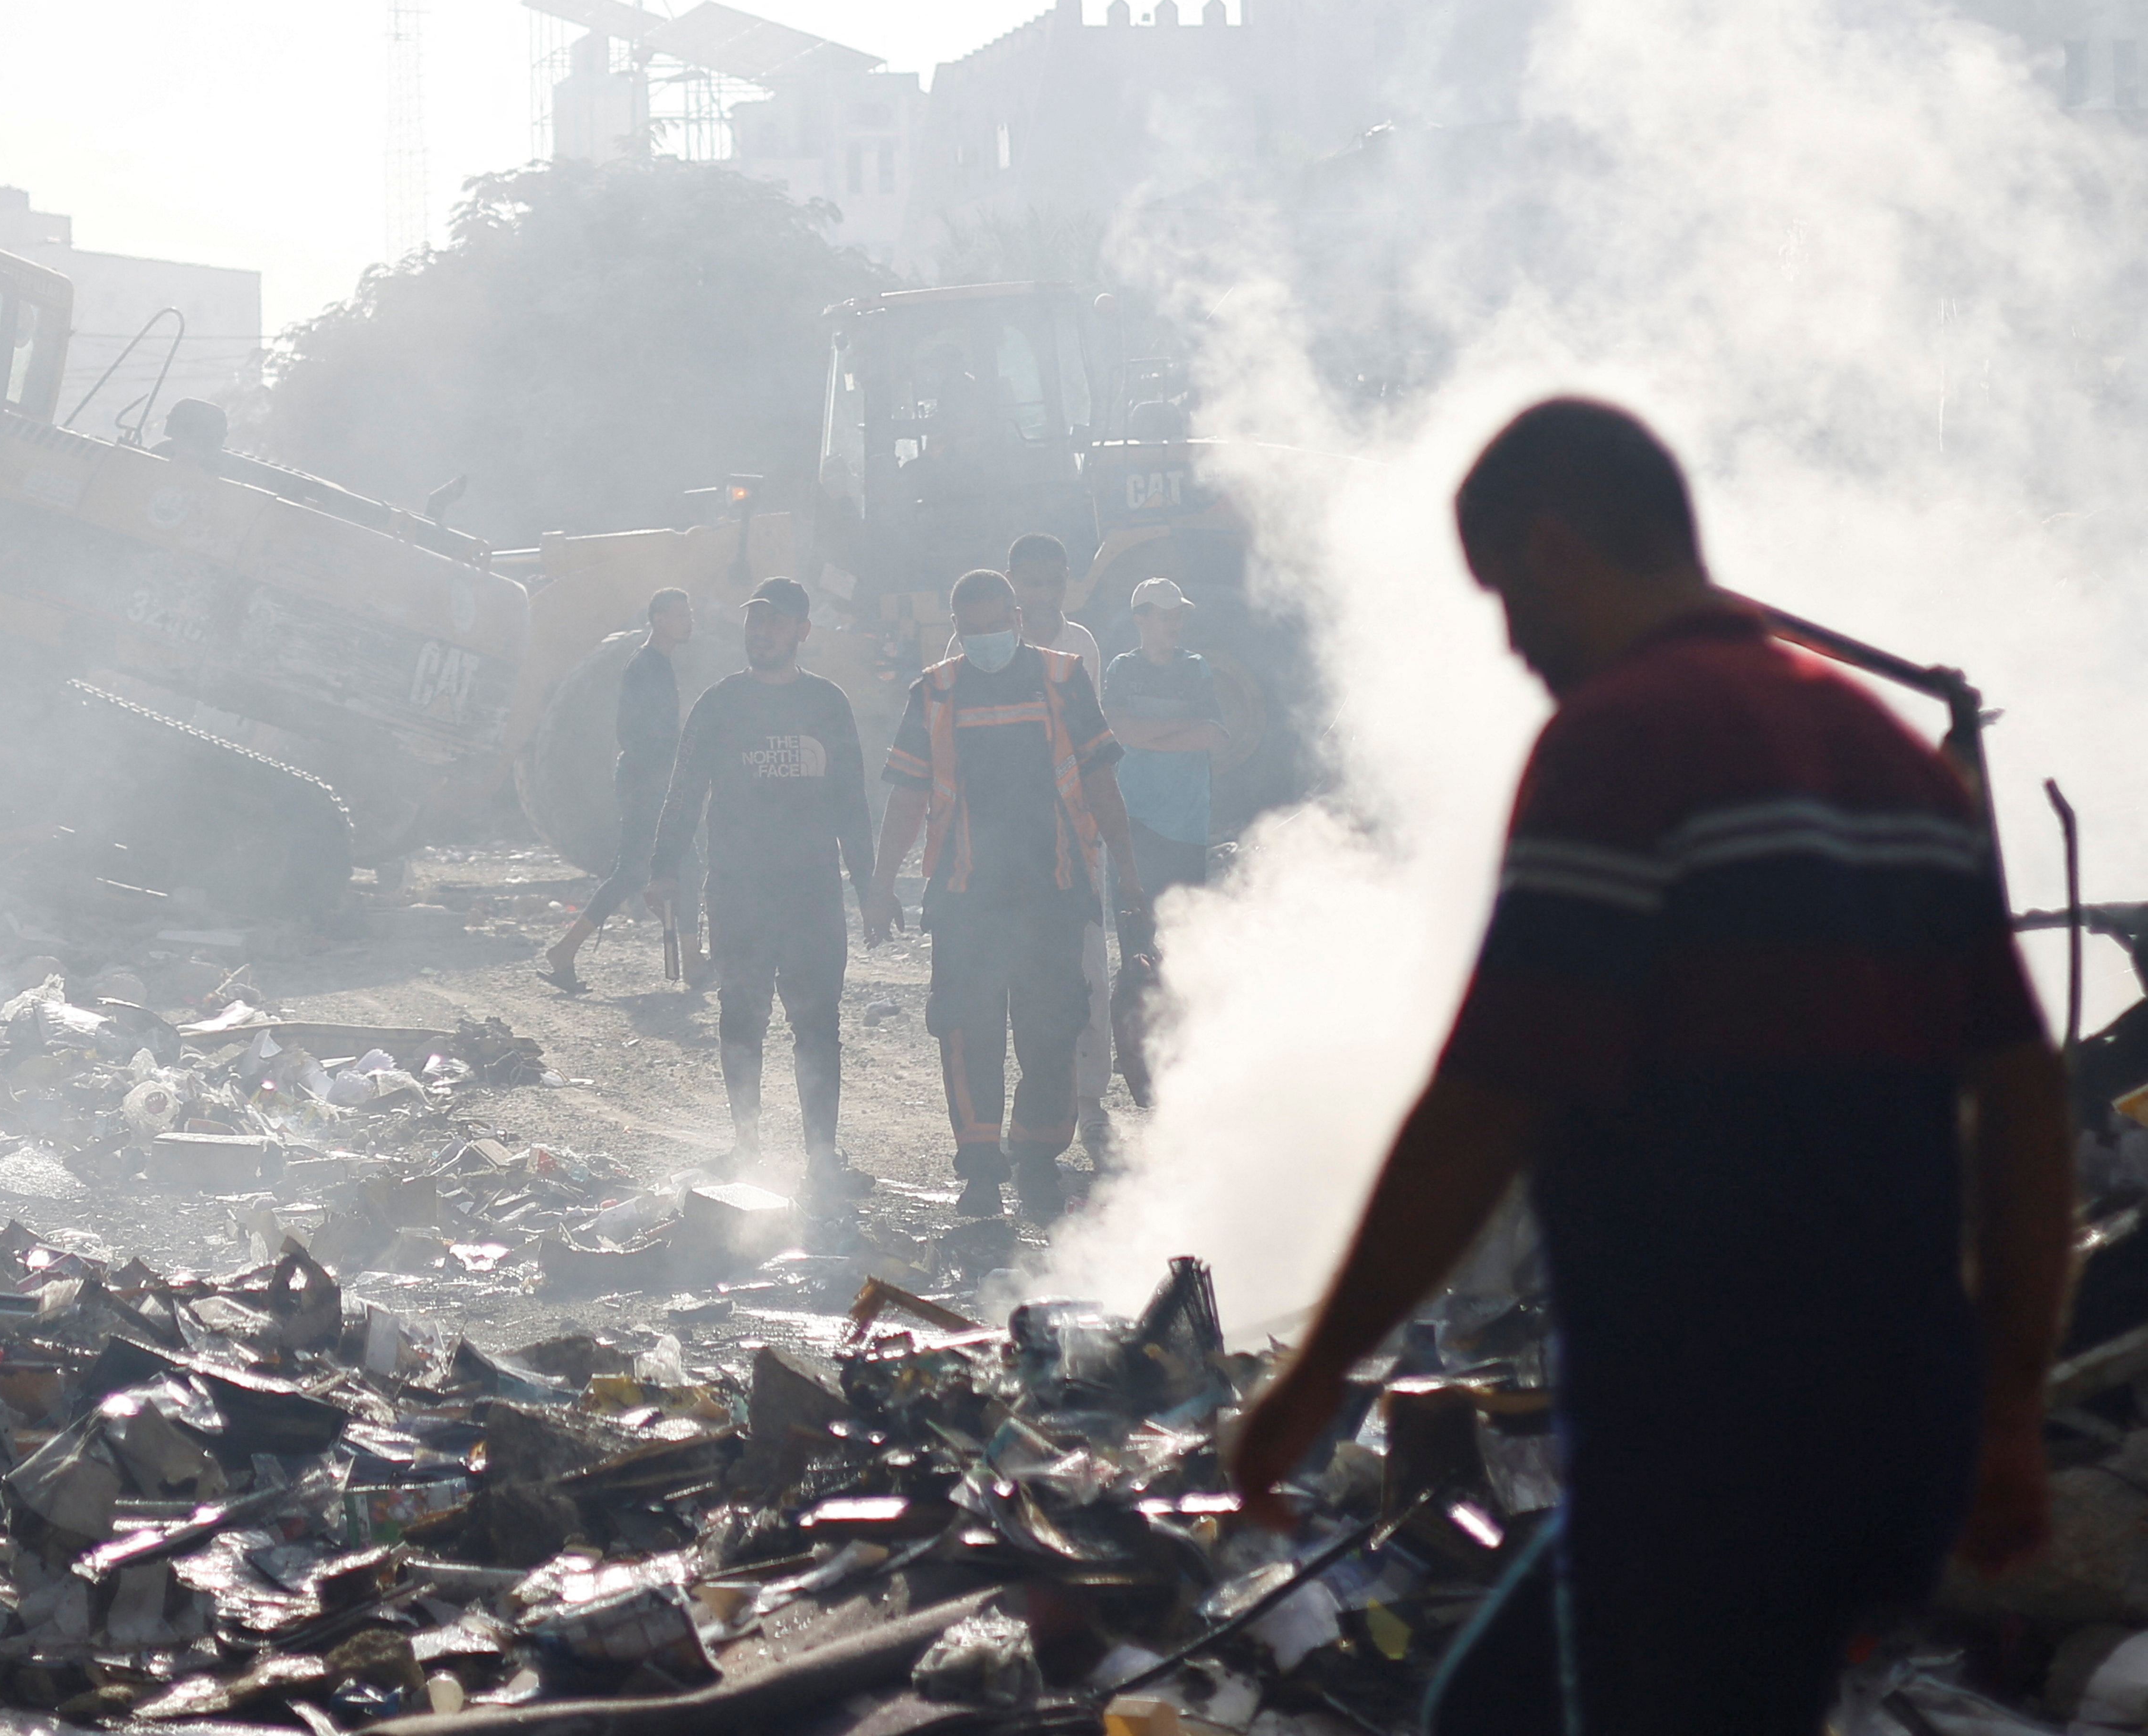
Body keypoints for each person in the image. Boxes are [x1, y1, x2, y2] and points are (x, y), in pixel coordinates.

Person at [1226, 399, 2069, 1735]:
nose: (1513, 644)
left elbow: (1491, 1099)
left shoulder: (1628, 740)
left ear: (1556, 549)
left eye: (1505, 595)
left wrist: (1317, 1368)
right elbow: (2025, 1108)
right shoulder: (1897, 760)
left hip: (1708, 1429)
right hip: (1885, 1428)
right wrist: (2007, 1406)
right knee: (1502, 1709)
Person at [873, 569, 1144, 1218]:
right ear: (956, 630)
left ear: (1018, 619)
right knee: (968, 1030)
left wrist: (1128, 871)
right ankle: (981, 1167)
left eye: (996, 624)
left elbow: (1102, 782)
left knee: (1053, 1028)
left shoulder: (1062, 678)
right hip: (966, 897)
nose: (986, 638)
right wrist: (881, 883)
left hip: (1054, 889)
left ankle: (1037, 1150)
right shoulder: (935, 690)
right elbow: (907, 795)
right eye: (972, 630)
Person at [643, 577, 884, 1200]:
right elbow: (685, 790)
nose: (763, 630)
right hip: (739, 890)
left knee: (817, 1024)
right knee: (741, 1017)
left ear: (803, 630)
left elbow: (852, 801)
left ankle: (822, 1158)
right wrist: (663, 867)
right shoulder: (721, 702)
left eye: (776, 621)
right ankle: (746, 1146)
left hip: (812, 893)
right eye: (756, 620)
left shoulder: (827, 704)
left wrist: (871, 885)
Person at [1101, 576, 1233, 1104]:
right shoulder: (1121, 670)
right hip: (1132, 828)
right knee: (1137, 949)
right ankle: (1141, 1069)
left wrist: (1148, 734)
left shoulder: (1197, 668)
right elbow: (1113, 728)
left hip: (1186, 830)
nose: (1174, 624)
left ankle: (1180, 1061)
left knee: (1181, 949)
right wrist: (1177, 733)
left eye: (1178, 615)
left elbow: (1215, 735)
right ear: (1141, 618)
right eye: (1164, 615)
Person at [548, 588, 704, 990]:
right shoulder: (647, 667)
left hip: (649, 782)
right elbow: (638, 733)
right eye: (680, 615)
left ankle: (689, 963)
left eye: (690, 613)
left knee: (656, 868)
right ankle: (690, 965)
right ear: (658, 620)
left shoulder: (658, 665)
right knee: (658, 868)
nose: (689, 621)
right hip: (647, 784)